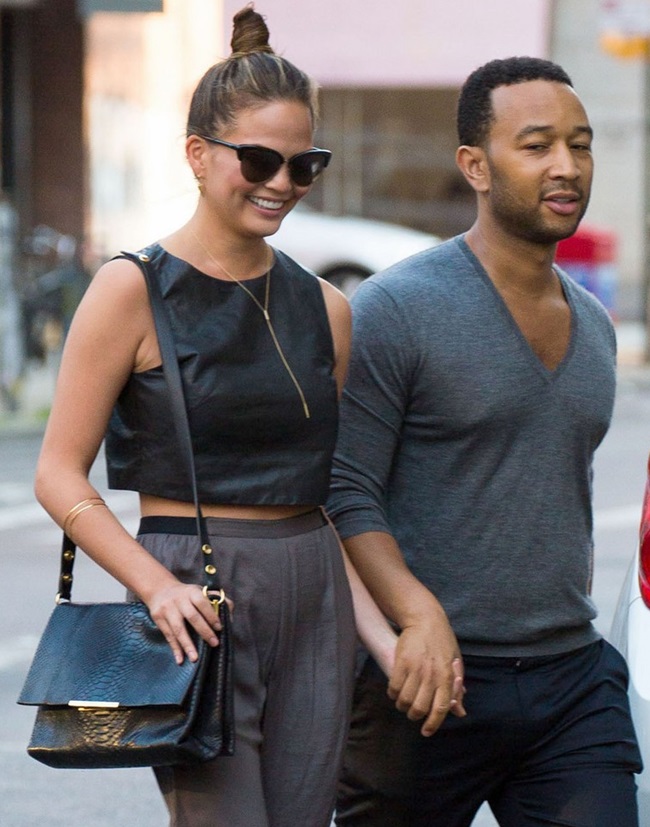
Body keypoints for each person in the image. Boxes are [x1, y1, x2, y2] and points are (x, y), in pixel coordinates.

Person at [33, 6, 399, 827]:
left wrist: (378, 633)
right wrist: (154, 585)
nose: (282, 184)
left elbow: (328, 496)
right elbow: (57, 474)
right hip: (196, 592)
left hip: (314, 592)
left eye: (305, 166)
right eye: (261, 160)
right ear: (199, 155)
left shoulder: (329, 308)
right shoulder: (132, 289)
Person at [327, 56, 643, 827]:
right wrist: (416, 614)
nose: (566, 166)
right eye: (536, 146)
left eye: (581, 143)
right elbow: (342, 486)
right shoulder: (399, 308)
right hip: (427, 681)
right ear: (475, 164)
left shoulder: (596, 327)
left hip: (572, 678)